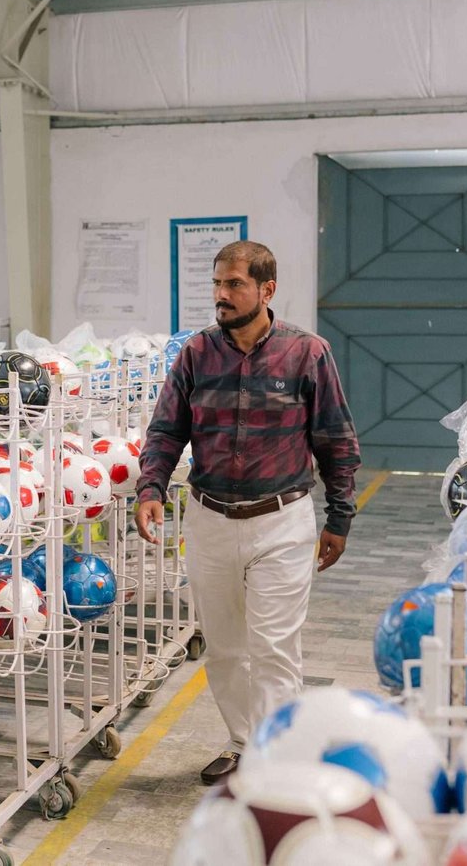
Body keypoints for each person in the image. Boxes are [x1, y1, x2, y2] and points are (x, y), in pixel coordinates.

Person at [134, 241, 360, 784]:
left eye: (234, 284)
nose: (222, 295)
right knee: (226, 650)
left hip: (281, 520)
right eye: (217, 284)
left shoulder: (308, 353)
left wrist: (340, 516)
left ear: (266, 289)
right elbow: (167, 429)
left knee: (275, 649)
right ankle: (242, 743)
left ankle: (275, 759)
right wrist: (151, 488)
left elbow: (336, 439)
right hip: (209, 520)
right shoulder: (196, 355)